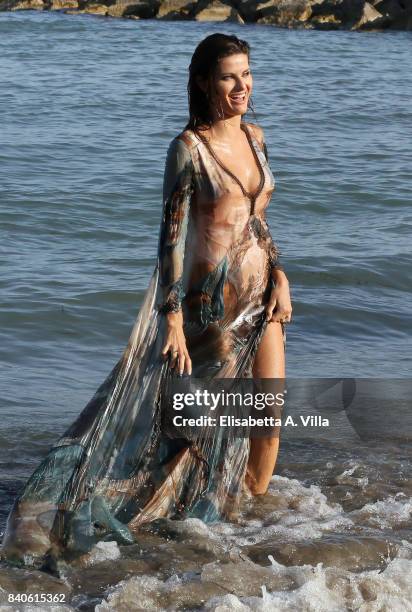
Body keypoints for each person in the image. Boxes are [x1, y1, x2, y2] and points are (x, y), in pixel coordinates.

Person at [1, 32, 292, 572]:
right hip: (212, 313)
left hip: (261, 301)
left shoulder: (256, 136)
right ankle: (167, 524)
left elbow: (258, 221)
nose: (241, 86)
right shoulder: (188, 149)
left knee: (266, 423)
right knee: (192, 431)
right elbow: (169, 242)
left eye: (246, 75)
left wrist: (281, 274)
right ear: (205, 81)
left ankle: (250, 523)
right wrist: (173, 321)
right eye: (229, 76)